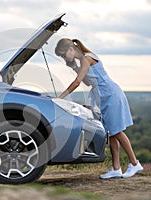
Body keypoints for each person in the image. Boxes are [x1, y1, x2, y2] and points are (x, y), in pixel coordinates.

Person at [55, 38, 143, 179]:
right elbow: (88, 81)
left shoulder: (87, 58)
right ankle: (116, 168)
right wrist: (73, 67)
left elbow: (77, 82)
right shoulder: (85, 59)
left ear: (70, 49)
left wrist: (61, 97)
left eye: (63, 55)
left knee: (117, 131)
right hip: (104, 96)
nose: (64, 58)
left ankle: (134, 163)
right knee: (111, 133)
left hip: (110, 95)